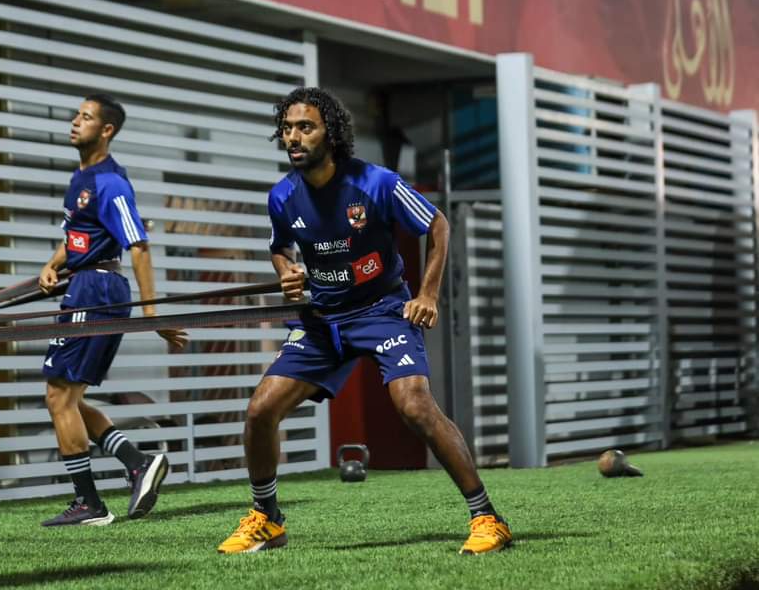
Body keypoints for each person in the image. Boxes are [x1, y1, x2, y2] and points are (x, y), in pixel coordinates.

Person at [216, 87, 511, 556]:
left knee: (415, 406)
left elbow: (437, 225)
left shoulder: (377, 183)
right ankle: (267, 519)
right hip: (322, 319)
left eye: (305, 127)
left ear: (330, 134)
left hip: (382, 311)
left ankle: (487, 517)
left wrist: (428, 294)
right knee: (260, 411)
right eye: (287, 129)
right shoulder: (282, 196)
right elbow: (280, 247)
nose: (293, 137)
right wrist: (286, 272)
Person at [38, 94, 187, 527]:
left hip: (98, 290)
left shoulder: (110, 183)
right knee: (68, 398)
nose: (75, 122)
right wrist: (52, 264)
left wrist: (151, 313)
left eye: (85, 118)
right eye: (76, 115)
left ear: (107, 130)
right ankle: (137, 462)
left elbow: (138, 244)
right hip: (84, 285)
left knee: (59, 396)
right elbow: (78, 237)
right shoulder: (81, 178)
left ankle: (90, 504)